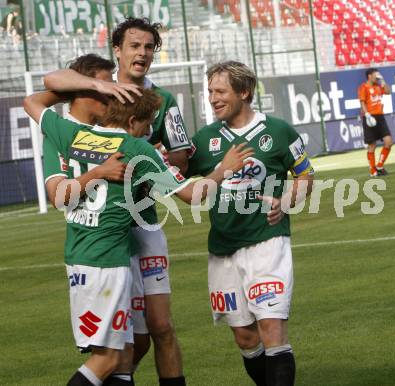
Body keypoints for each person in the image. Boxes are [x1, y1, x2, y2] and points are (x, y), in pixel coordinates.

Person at [24, 86, 253, 386]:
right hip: (110, 263)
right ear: (132, 122)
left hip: (77, 259)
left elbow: (32, 102)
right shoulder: (137, 149)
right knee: (109, 359)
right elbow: (192, 195)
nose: (147, 132)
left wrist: (84, 85)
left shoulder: (73, 135)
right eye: (146, 125)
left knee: (117, 355)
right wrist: (224, 169)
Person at [44, 18, 192, 385]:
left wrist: (154, 160)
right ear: (119, 51)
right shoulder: (102, 93)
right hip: (106, 228)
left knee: (159, 326)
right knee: (121, 341)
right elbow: (50, 85)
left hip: (143, 222)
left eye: (148, 47)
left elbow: (180, 159)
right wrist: (94, 82)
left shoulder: (165, 100)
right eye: (134, 46)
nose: (141, 53)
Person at [185, 61, 314, 386]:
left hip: (268, 243)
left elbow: (306, 175)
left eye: (220, 91)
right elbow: (178, 180)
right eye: (210, 91)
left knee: (271, 328)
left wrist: (285, 203)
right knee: (245, 337)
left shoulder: (279, 131)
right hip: (223, 249)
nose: (213, 98)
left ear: (244, 92)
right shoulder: (204, 139)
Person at [42, 53, 140, 386]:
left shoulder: (113, 131)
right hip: (97, 257)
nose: (112, 92)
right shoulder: (60, 133)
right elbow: (58, 196)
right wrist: (98, 174)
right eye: (104, 85)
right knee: (109, 356)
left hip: (124, 247)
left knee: (124, 352)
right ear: (85, 89)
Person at [358, 68, 393, 177]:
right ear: (369, 76)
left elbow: (388, 91)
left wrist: (382, 81)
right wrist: (367, 114)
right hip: (369, 117)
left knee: (388, 142)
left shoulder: (378, 86)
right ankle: (373, 171)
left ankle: (380, 166)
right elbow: (362, 102)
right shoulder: (363, 87)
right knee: (372, 145)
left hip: (380, 116)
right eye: (375, 75)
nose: (376, 76)